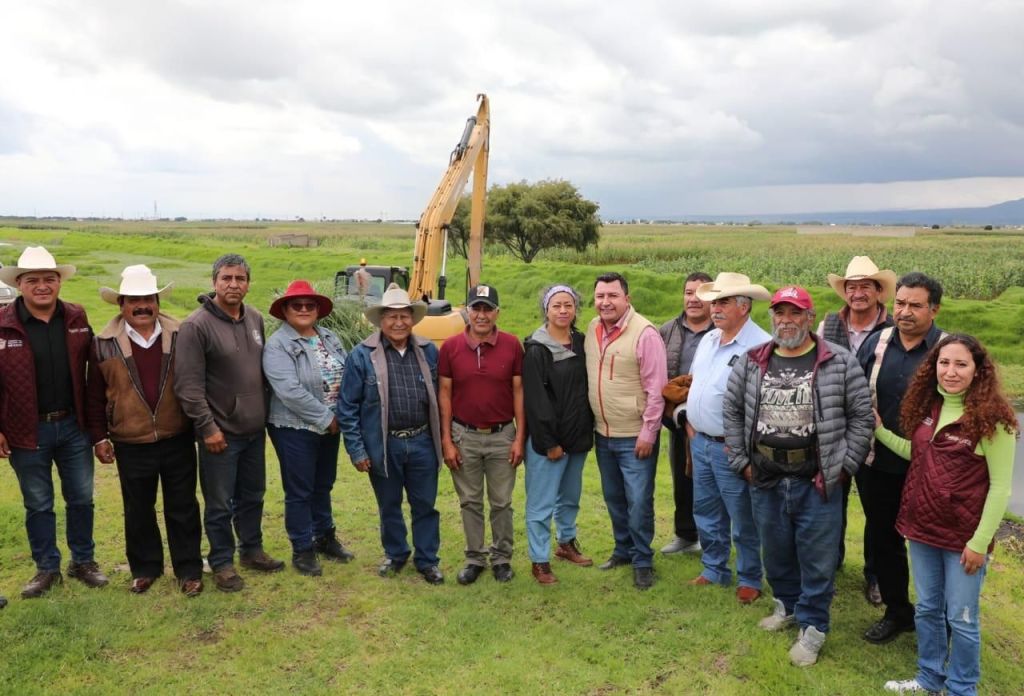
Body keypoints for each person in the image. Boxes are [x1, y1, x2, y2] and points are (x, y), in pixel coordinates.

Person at [724, 286, 874, 666]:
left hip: (817, 481)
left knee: (817, 559)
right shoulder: (752, 360)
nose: (786, 321)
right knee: (775, 552)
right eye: (780, 313)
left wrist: (844, 466)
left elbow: (861, 418)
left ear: (810, 317)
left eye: (795, 313)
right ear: (772, 317)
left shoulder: (838, 362)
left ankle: (813, 627)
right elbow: (733, 411)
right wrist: (742, 461)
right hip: (766, 477)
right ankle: (787, 605)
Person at [880, 335, 1017, 696]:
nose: (951, 372)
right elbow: (919, 454)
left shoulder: (993, 421)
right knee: (927, 609)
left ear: (978, 370)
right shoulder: (930, 407)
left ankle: (961, 688)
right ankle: (929, 678)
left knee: (961, 617)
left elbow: (1001, 488)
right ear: (933, 367)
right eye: (944, 363)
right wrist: (879, 430)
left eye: (961, 364)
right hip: (922, 530)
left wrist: (979, 543)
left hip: (963, 539)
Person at [85, 265, 203, 596]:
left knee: (183, 506)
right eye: (134, 300)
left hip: (177, 435)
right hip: (130, 440)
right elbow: (94, 395)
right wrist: (99, 437)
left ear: (157, 302)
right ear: (121, 304)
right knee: (138, 509)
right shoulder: (103, 344)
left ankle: (189, 569)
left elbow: (197, 382)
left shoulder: (181, 335)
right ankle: (145, 568)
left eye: (148, 299)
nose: (142, 306)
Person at [0, 246, 109, 599]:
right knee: (38, 503)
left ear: (60, 281)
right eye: (33, 280)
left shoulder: (76, 317)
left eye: (49, 278)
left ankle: (83, 561)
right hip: (25, 430)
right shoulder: (3, 323)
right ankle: (47, 568)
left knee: (81, 498)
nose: (42, 286)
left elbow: (94, 372)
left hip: (73, 426)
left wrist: (98, 430)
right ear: (19, 284)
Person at [174, 253, 284, 592]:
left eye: (240, 278)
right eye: (226, 278)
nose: (233, 284)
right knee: (220, 503)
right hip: (220, 434)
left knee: (253, 495)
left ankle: (251, 550)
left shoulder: (255, 318)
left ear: (248, 284)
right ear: (214, 282)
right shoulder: (196, 326)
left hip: (254, 430)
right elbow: (188, 387)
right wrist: (208, 428)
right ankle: (222, 562)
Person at [857, 271, 946, 644]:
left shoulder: (947, 349)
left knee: (934, 545)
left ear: (934, 309)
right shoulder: (876, 342)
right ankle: (897, 612)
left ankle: (939, 618)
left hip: (931, 470)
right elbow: (853, 388)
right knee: (884, 539)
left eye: (915, 305)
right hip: (877, 463)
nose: (905, 312)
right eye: (900, 303)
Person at [338, 283, 444, 585]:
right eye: (392, 317)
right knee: (389, 504)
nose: (399, 323)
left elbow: (442, 396)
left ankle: (427, 560)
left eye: (404, 316)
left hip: (422, 441)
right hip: (384, 444)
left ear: (412, 319)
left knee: (425, 504)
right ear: (381, 320)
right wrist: (357, 450)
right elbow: (348, 407)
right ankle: (396, 554)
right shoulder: (362, 355)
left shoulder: (428, 351)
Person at [686, 272, 771, 603]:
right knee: (706, 510)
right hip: (701, 441)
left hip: (733, 447)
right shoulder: (709, 338)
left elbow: (764, 407)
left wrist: (745, 450)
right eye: (714, 302)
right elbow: (694, 383)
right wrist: (691, 425)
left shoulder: (760, 347)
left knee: (742, 515)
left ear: (744, 306)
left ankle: (749, 577)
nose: (715, 308)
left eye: (723, 302)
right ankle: (714, 569)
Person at [263, 280, 354, 577]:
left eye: (309, 305)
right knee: (300, 489)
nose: (303, 309)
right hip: (295, 427)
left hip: (331, 425)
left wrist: (341, 415)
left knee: (323, 483)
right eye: (296, 305)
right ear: (285, 310)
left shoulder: (329, 337)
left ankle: (324, 537)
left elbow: (346, 373)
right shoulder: (278, 345)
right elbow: (289, 391)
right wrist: (327, 418)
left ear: (317, 310)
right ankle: (302, 548)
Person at [820, 255, 896, 596]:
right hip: (833, 428)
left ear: (879, 291)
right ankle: (830, 564)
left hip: (875, 429)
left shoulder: (893, 329)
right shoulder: (828, 325)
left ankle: (875, 575)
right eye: (852, 287)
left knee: (877, 507)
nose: (858, 293)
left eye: (866, 286)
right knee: (829, 501)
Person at [439, 284, 525, 584]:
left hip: (502, 435)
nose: (481, 315)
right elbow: (445, 394)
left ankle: (501, 558)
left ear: (497, 312)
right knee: (470, 501)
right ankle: (475, 558)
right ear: (467, 311)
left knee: (501, 502)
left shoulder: (512, 345)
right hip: (464, 435)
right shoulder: (450, 347)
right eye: (476, 308)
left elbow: (519, 391)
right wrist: (447, 440)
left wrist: (519, 437)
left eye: (488, 309)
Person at [586, 272, 667, 590]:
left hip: (635, 435)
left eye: (612, 296)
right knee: (614, 498)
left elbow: (657, 389)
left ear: (627, 299)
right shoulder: (592, 328)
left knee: (639, 502)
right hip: (603, 433)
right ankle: (622, 550)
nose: (605, 302)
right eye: (600, 296)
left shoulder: (645, 333)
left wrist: (649, 432)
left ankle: (643, 560)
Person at [522, 284, 594, 585]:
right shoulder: (537, 349)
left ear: (575, 309)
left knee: (570, 497)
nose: (563, 310)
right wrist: (550, 442)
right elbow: (536, 401)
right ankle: (539, 560)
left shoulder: (583, 342)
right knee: (541, 504)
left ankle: (566, 543)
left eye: (568, 305)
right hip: (548, 442)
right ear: (546, 310)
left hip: (577, 437)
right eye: (556, 305)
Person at [658, 271, 713, 555]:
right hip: (677, 421)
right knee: (682, 478)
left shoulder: (720, 330)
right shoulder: (666, 331)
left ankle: (712, 538)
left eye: (701, 293)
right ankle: (685, 535)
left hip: (713, 422)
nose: (693, 299)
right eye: (689, 292)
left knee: (713, 483)